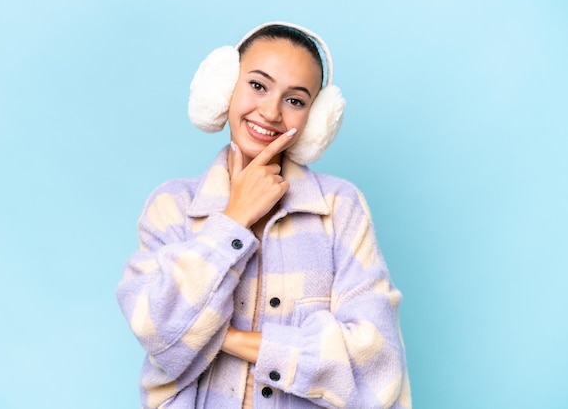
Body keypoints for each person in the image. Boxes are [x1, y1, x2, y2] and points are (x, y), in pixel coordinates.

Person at [116, 21, 411, 409]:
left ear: (315, 119)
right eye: (257, 85)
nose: (271, 112)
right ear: (224, 88)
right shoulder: (172, 207)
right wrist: (234, 219)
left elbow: (376, 365)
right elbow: (159, 334)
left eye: (295, 100)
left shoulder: (340, 208)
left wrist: (227, 338)